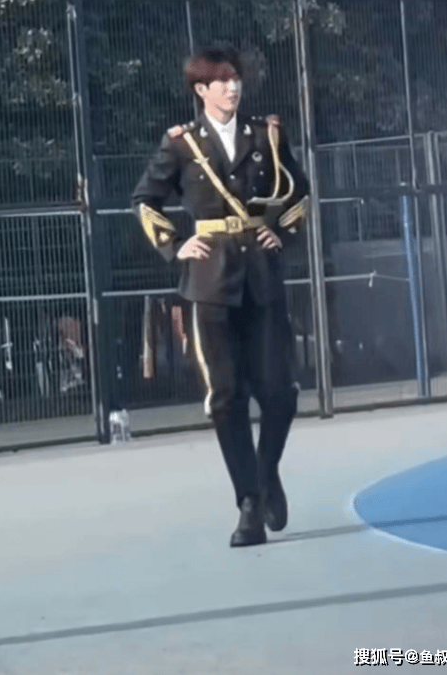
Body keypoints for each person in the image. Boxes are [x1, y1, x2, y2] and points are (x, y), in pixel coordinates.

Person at [131, 46, 310, 547]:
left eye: (236, 79)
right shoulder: (181, 144)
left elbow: (299, 192)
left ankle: (265, 471)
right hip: (209, 282)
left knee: (280, 393)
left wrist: (283, 232)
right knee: (226, 398)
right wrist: (174, 245)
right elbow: (145, 200)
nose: (233, 88)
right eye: (222, 81)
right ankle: (249, 503)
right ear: (201, 90)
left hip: (262, 277)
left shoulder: (267, 135)